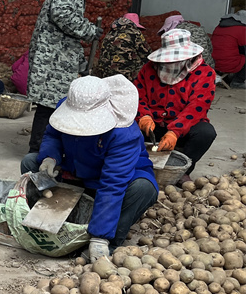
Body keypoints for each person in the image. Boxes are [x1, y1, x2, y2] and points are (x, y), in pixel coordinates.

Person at [21, 75, 158, 262]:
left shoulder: (124, 133)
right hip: (75, 172)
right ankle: (43, 222)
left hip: (111, 180)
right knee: (30, 162)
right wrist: (49, 158)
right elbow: (53, 134)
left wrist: (100, 237)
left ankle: (109, 242)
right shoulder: (68, 104)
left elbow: (113, 184)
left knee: (144, 188)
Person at [27, 0, 112, 153]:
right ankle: (37, 151)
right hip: (51, 60)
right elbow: (61, 13)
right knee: (48, 104)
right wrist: (89, 30)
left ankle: (47, 148)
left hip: (58, 58)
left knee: (53, 103)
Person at [134, 29, 217, 177]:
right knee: (125, 128)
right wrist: (144, 116)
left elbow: (197, 107)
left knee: (205, 133)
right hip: (153, 124)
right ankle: (136, 165)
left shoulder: (205, 73)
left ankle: (182, 172)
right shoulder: (149, 69)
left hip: (184, 125)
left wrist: (174, 132)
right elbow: (138, 95)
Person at [96, 12, 151, 82]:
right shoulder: (134, 32)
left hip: (104, 75)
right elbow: (147, 55)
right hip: (125, 76)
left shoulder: (110, 33)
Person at [211, 10, 246, 88]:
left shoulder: (219, 26)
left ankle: (226, 78)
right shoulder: (242, 29)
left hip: (213, 62)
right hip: (227, 64)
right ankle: (238, 82)